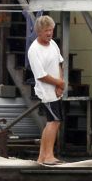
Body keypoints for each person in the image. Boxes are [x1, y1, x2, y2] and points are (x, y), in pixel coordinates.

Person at [28, 14, 65, 165]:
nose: (49, 33)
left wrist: (60, 84)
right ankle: (48, 156)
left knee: (54, 121)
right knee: (54, 121)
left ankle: (42, 156)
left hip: (56, 89)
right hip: (45, 91)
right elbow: (41, 75)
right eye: (46, 31)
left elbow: (59, 63)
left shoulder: (53, 44)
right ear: (39, 32)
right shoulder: (34, 50)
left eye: (51, 30)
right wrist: (59, 83)